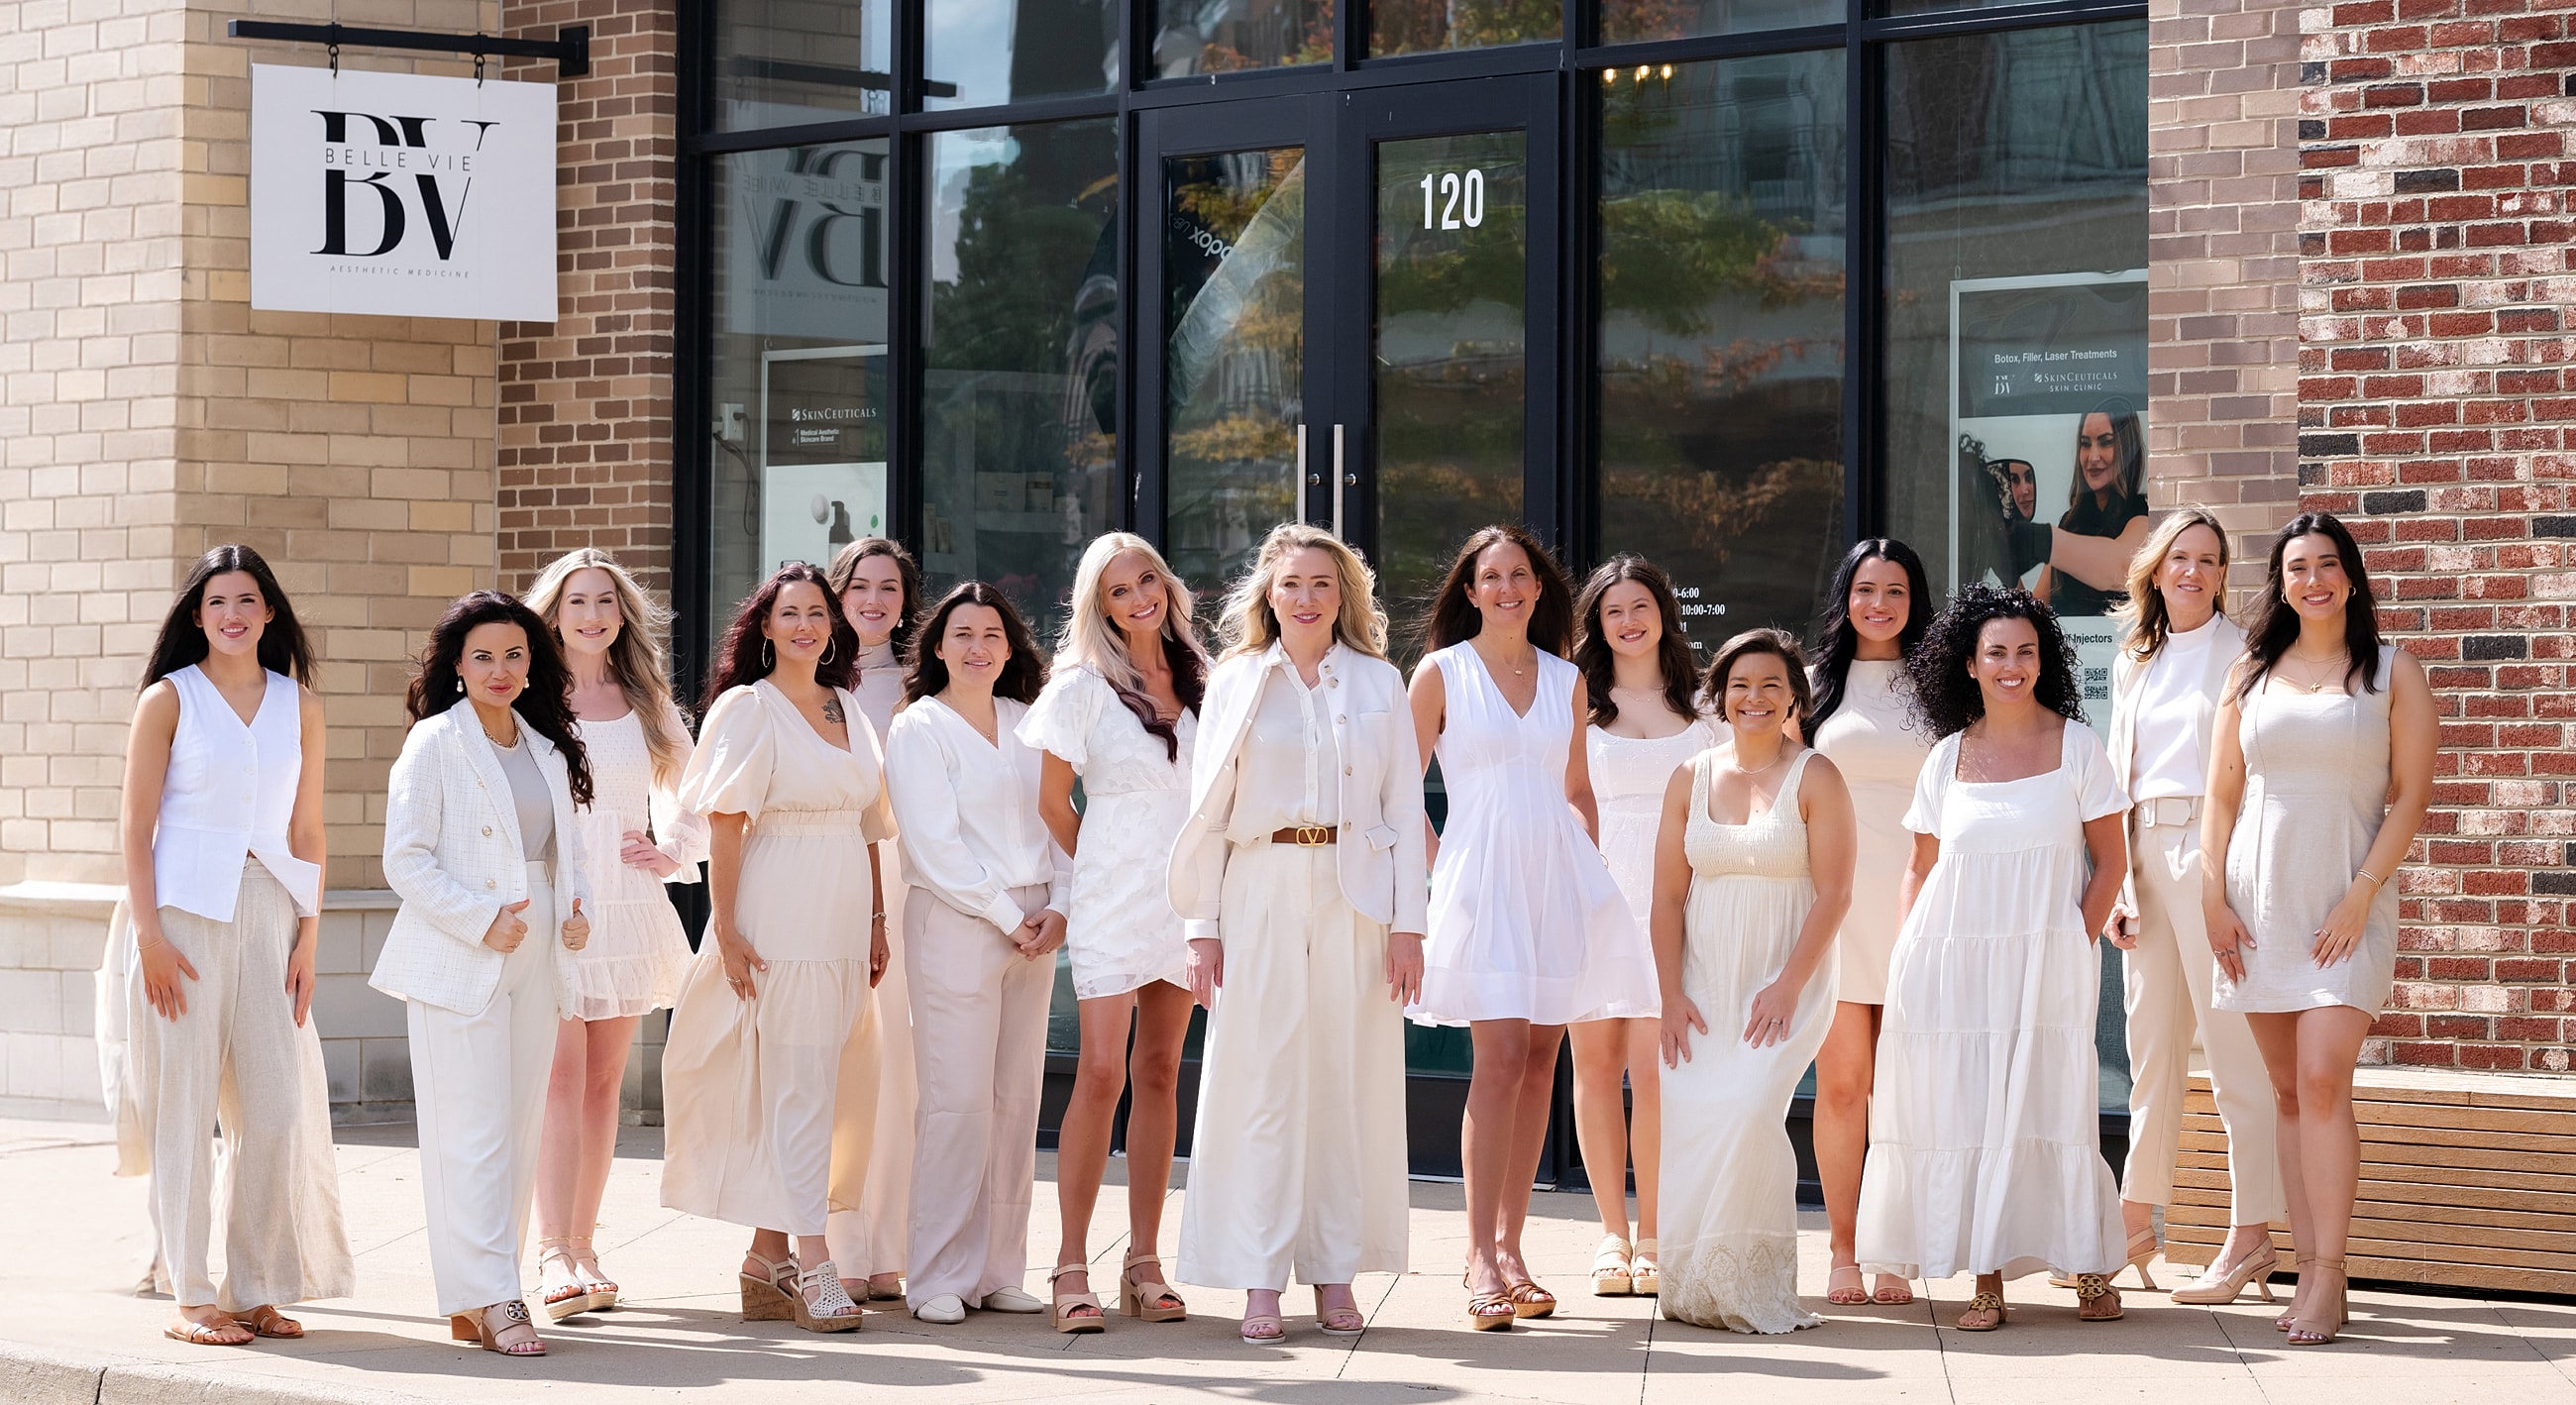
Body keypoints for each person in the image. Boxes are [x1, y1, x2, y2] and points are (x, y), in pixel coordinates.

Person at [1170, 522, 1425, 1343]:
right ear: (1268, 596)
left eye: (1322, 583)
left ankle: (1335, 1271)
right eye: (1292, 584)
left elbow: (1403, 810)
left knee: (1345, 1083)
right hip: (1260, 887)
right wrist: (1201, 926)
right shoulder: (1237, 680)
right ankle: (1258, 1279)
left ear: (1343, 595)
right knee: (1261, 1085)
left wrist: (1408, 926)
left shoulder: (1381, 682)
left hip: (1356, 895)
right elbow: (1206, 811)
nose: (1307, 598)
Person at [1856, 585, 2128, 1331]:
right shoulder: (1947, 758)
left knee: (2056, 1107)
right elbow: (1921, 865)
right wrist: (1909, 953)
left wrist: (2074, 941)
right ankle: (1987, 1285)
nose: (2012, 666)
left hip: (2048, 962)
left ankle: (2090, 1269)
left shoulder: (2078, 746)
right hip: (1954, 969)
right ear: (1968, 665)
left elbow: (2110, 861)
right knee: (1975, 1114)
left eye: (2025, 652)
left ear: (2045, 661)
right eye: (1996, 653)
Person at [1407, 524, 1658, 1330]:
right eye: (1491, 576)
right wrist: (1442, 865)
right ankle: (1478, 1253)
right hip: (1481, 881)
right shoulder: (1440, 672)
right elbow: (1397, 790)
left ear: (1540, 588)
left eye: (1520, 574)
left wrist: (1587, 864)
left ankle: (1513, 1249)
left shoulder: (1567, 679)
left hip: (1558, 878)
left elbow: (1577, 787)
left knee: (1544, 1055)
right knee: (1501, 1056)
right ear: (1471, 590)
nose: (1508, 587)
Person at [2204, 512, 2434, 1346]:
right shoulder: (2248, 675)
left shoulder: (2392, 673)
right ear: (2282, 583)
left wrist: (2362, 893)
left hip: (2347, 906)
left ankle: (2329, 1276)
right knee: (2290, 1095)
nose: (2314, 580)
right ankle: (2305, 1268)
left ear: (2350, 576)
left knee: (2324, 1079)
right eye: (2298, 567)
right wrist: (2210, 897)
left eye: (2328, 564)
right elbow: (2221, 796)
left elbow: (2409, 796)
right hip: (2258, 904)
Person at [117, 544, 352, 1346]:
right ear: (197, 616)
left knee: (276, 1111)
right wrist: (147, 935)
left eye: (247, 600)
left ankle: (253, 1286)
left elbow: (310, 830)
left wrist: (310, 939)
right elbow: (136, 827)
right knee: (183, 1109)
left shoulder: (301, 706)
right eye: (218, 602)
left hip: (272, 912)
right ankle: (192, 1295)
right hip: (181, 915)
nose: (232, 615)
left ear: (270, 613)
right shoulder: (168, 699)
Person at [660, 563, 892, 1334]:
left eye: (817, 614)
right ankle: (815, 1262)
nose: (806, 626)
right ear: (764, 627)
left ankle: (766, 1259)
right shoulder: (747, 708)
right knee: (795, 1086)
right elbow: (727, 823)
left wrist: (877, 919)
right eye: (789, 614)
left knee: (822, 1087)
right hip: (779, 914)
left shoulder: (847, 708)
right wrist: (723, 925)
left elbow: (867, 824)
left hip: (842, 919)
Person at [371, 592, 595, 1356]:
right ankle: (495, 1296)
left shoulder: (549, 748)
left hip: (538, 952)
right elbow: (404, 859)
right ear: (456, 667)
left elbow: (566, 849)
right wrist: (478, 917)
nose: (500, 670)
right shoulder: (434, 744)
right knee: (472, 1134)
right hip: (461, 953)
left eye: (514, 655)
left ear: (533, 664)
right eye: (482, 657)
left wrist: (578, 908)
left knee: (518, 1127)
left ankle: (482, 1295)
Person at [1020, 534, 1207, 1332]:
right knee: (1101, 1073)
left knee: (1161, 1069)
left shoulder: (1205, 676)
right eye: (1121, 590)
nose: (1140, 599)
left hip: (1188, 901)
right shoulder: (1081, 687)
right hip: (1112, 899)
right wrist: (1099, 865)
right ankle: (1069, 1263)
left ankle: (1143, 1261)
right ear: (1098, 604)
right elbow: (1052, 802)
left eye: (1149, 582)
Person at [2097, 510, 2284, 1304]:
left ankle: (2252, 1233)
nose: (2194, 572)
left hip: (2209, 856)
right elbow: (2116, 772)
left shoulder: (2241, 654)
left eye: (2209, 560)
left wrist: (2216, 882)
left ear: (2221, 574)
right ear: (2156, 568)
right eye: (2181, 557)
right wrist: (2117, 886)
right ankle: (2137, 1220)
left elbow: (2243, 777)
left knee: (2232, 1053)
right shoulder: (2133, 658)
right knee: (2152, 1053)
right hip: (2140, 852)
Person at [523, 548, 707, 1322]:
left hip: (629, 905)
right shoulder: (530, 693)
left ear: (622, 614)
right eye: (577, 602)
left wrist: (671, 851)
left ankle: (588, 1248)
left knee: (604, 1087)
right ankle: (550, 1251)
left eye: (606, 601)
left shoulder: (646, 699)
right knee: (558, 1081)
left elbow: (698, 794)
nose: (593, 614)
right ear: (555, 613)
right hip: (560, 905)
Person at [1653, 629, 1854, 1333]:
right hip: (1700, 982)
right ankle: (1694, 1281)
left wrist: (1789, 984)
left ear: (1794, 695)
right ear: (1720, 696)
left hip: (1784, 979)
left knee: (1747, 1109)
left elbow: (1833, 895)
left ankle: (1750, 1282)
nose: (1755, 697)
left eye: (1771, 684)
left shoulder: (1817, 777)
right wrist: (1670, 994)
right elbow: (1667, 899)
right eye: (1741, 685)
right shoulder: (1690, 777)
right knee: (1699, 1116)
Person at [883, 583, 1068, 1326]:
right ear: (936, 646)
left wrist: (1059, 906)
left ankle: (997, 1270)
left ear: (1009, 648)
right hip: (962, 920)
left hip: (1037, 920)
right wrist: (1005, 914)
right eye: (962, 633)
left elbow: (1061, 818)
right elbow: (932, 843)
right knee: (956, 1102)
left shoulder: (1031, 723)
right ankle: (936, 1277)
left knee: (1015, 1099)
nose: (977, 646)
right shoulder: (917, 727)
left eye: (992, 634)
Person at [1568, 556, 1719, 1298]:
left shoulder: (1704, 713)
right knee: (1595, 1069)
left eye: (1640, 606)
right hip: (1593, 902)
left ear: (1663, 610)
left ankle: (1656, 1231)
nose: (1629, 621)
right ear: (1597, 625)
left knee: (1656, 1074)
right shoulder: (1576, 708)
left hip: (1674, 910)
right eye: (1612, 611)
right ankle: (1609, 1236)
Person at [1802, 538, 1934, 1308]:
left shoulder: (1944, 686)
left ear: (1914, 600)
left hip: (1923, 899)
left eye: (1895, 591)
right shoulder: (1817, 686)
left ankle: (1898, 1246)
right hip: (1838, 903)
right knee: (1845, 1083)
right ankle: (1844, 1247)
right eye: (1865, 589)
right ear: (1845, 597)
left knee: (1907, 1085)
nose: (1879, 604)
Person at [825, 536, 925, 1303]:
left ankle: (890, 1244)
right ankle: (834, 1244)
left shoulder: (925, 683)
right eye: (860, 585)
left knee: (902, 1070)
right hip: (828, 882)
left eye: (889, 587)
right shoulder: (807, 680)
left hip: (909, 882)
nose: (874, 600)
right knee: (837, 1066)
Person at [2007, 397, 2150, 615]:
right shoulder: (2070, 521)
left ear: (2126, 449)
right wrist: (2005, 558)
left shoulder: (2142, 514)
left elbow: (2119, 568)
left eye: (2105, 442)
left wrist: (2038, 539)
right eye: (2085, 444)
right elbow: (2035, 612)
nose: (2092, 456)